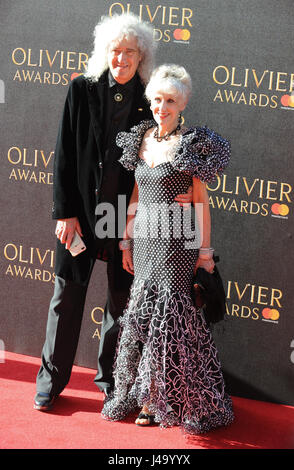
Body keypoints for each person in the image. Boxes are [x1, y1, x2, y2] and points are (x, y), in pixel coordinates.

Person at [34, 15, 193, 411]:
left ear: (142, 57)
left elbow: (162, 155)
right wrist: (64, 212)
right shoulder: (81, 90)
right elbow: (65, 156)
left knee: (121, 303)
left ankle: (112, 383)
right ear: (105, 52)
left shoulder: (148, 100)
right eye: (115, 50)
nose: (121, 58)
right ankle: (49, 384)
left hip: (123, 216)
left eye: (130, 52)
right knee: (66, 298)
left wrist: (176, 197)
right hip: (81, 215)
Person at [101, 64, 234, 434]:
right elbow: (137, 195)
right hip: (145, 242)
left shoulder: (191, 144)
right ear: (150, 101)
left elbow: (200, 201)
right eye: (157, 100)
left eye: (170, 101)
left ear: (182, 104)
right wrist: (126, 240)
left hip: (177, 245)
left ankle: (159, 399)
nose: (162, 107)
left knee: (171, 324)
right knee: (143, 322)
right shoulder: (140, 139)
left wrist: (204, 253)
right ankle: (144, 394)